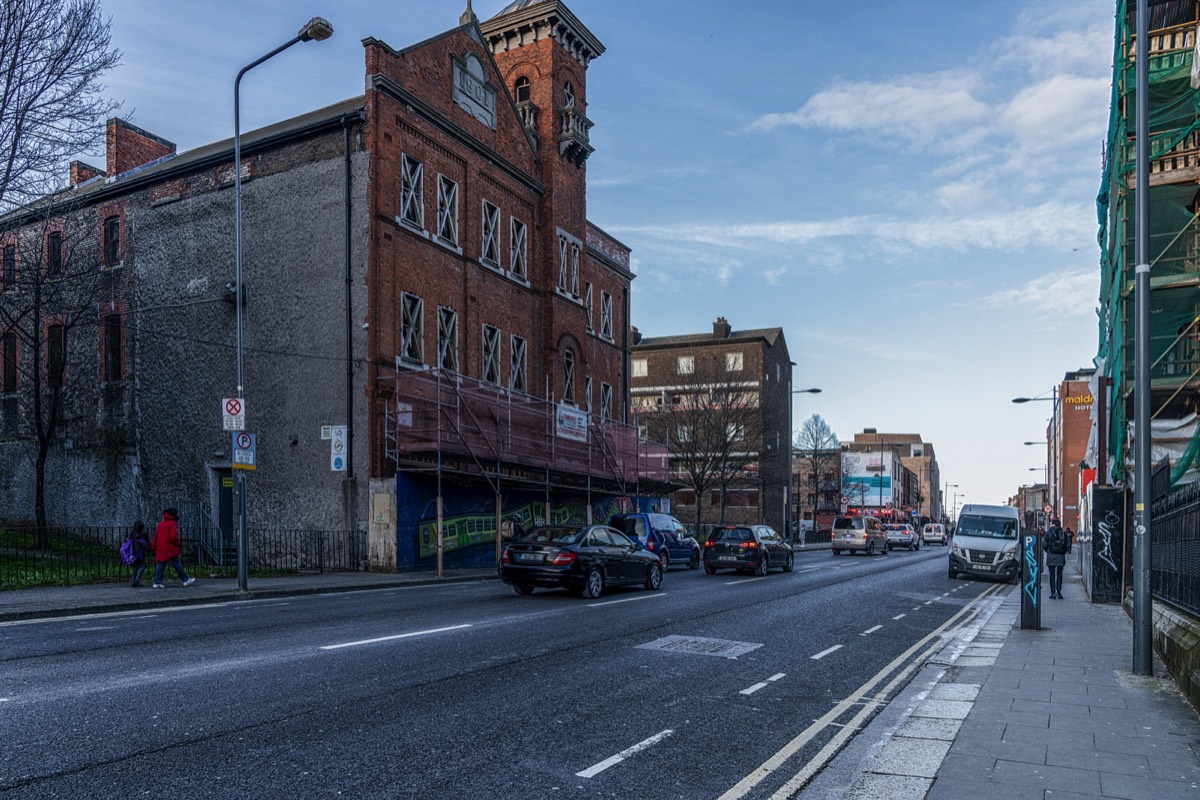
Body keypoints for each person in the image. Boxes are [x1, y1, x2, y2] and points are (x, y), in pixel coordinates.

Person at [151, 508, 195, 588]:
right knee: (176, 564)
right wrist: (178, 543)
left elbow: (155, 537)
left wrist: (153, 546)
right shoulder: (172, 524)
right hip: (170, 547)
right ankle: (185, 579)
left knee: (160, 564)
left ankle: (157, 582)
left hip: (160, 547)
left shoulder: (161, 524)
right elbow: (173, 536)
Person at [1044, 517, 1071, 599]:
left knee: (1052, 574)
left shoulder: (1048, 532)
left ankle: (1052, 593)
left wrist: (1048, 551)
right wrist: (1063, 552)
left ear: (1053, 524)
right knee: (1059, 574)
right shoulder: (1063, 533)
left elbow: (1044, 544)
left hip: (1051, 556)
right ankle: (1058, 592)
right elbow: (1068, 545)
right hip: (1060, 556)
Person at [125, 521, 151, 587]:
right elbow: (146, 544)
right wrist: (149, 551)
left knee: (135, 567)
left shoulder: (132, 533)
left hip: (132, 553)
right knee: (143, 566)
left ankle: (134, 581)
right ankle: (136, 580)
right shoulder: (143, 534)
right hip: (140, 553)